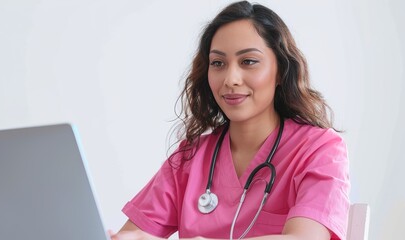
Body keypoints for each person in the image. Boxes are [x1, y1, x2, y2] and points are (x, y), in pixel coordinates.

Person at [109, 1, 350, 239]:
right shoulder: (190, 157)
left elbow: (305, 238)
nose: (230, 79)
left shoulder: (319, 149)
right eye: (218, 63)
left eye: (248, 62)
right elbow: (136, 231)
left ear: (281, 71)